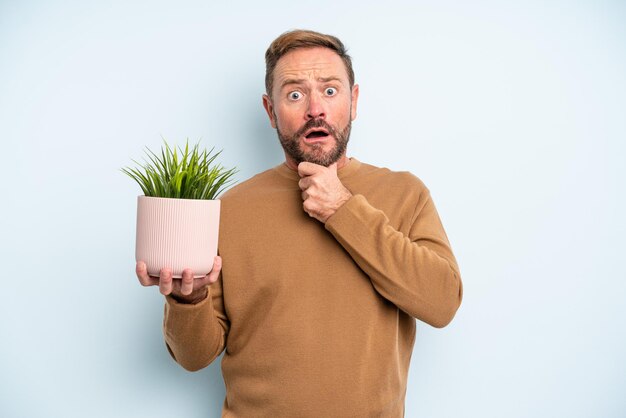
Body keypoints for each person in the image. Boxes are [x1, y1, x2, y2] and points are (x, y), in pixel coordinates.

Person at [136, 29, 463, 417]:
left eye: (330, 90)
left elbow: (441, 303)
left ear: (353, 101)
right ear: (271, 111)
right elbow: (194, 357)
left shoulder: (405, 194)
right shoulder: (231, 208)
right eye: (294, 94)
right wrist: (188, 300)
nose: (315, 109)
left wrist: (343, 209)